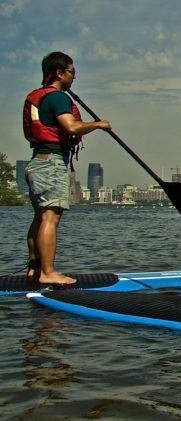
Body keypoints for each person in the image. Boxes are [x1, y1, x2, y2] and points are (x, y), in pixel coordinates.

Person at [23, 52, 111, 284]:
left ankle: (34, 268)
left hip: (37, 162)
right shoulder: (58, 98)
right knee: (50, 219)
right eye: (72, 72)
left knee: (40, 218)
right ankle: (48, 272)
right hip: (51, 163)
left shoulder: (39, 96)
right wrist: (98, 125)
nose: (74, 77)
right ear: (59, 73)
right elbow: (70, 127)